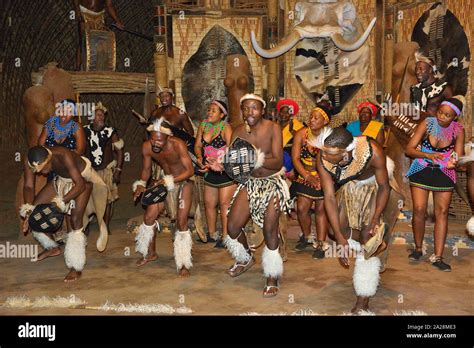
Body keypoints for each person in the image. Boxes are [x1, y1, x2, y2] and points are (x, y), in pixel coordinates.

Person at [316, 127, 394, 313]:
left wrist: (375, 218)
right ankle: (375, 246)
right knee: (336, 232)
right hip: (349, 187)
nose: (324, 156)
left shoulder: (373, 151)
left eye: (331, 154)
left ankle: (363, 299)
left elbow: (384, 187)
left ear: (346, 152)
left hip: (375, 187)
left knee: (368, 237)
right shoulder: (323, 157)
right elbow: (329, 197)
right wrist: (341, 240)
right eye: (324, 151)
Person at [222, 94, 291, 297]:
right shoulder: (238, 131)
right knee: (232, 226)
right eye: (245, 108)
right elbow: (234, 162)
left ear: (262, 110)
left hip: (272, 183)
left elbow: (278, 161)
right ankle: (246, 258)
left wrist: (254, 159)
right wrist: (222, 163)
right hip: (250, 182)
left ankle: (272, 275)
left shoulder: (273, 128)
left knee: (270, 230)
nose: (249, 112)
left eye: (254, 108)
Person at [19, 145, 109, 282]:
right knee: (36, 212)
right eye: (39, 171)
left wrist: (61, 202)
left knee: (75, 220)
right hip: (62, 179)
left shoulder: (63, 154)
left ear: (49, 159)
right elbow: (29, 186)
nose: (42, 173)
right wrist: (28, 211)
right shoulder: (30, 160)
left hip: (83, 179)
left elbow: (80, 184)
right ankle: (52, 247)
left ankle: (76, 266)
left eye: (44, 168)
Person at [406, 96, 465, 271]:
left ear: (455, 117)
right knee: (418, 209)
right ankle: (418, 248)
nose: (441, 117)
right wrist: (428, 155)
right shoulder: (427, 123)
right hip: (421, 169)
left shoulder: (458, 130)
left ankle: (438, 257)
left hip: (444, 172)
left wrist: (454, 161)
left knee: (442, 212)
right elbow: (409, 149)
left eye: (447, 115)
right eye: (440, 112)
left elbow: (458, 155)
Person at [132, 118, 195, 277]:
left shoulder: (178, 144)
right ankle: (150, 253)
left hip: (182, 181)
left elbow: (190, 171)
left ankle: (183, 263)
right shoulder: (147, 147)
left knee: (181, 221)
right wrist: (141, 183)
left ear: (168, 137)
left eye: (159, 140)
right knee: (149, 216)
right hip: (162, 181)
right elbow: (146, 169)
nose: (155, 143)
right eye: (152, 138)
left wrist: (170, 180)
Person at [194, 100, 236, 248]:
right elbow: (198, 145)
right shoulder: (203, 125)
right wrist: (200, 158)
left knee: (224, 204)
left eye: (214, 110)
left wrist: (221, 164)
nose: (209, 112)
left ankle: (226, 237)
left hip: (224, 170)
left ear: (222, 114)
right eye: (209, 109)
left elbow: (232, 150)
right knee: (209, 203)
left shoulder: (226, 128)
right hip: (209, 169)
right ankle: (212, 234)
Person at [291, 105, 331, 258]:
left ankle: (320, 244)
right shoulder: (301, 134)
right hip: (305, 175)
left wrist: (321, 178)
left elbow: (334, 161)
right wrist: (307, 176)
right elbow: (295, 159)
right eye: (310, 117)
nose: (311, 120)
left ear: (324, 121)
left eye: (316, 118)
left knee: (321, 210)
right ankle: (307, 236)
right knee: (301, 208)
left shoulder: (330, 137)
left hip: (324, 176)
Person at [84, 102, 124, 232]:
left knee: (107, 200)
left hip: (106, 170)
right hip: (90, 171)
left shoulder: (110, 131)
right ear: (91, 117)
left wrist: (117, 170)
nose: (101, 117)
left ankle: (105, 227)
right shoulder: (84, 130)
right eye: (98, 115)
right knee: (87, 199)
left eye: (102, 115)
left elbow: (119, 152)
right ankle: (86, 225)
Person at [74, 0, 125, 70]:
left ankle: (98, 68)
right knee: (82, 41)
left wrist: (117, 21)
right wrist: (77, 10)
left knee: (100, 42)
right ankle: (77, 68)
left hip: (99, 17)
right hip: (85, 13)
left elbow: (109, 5)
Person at [410, 52, 453, 117]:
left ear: (430, 70)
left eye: (421, 69)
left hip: (436, 126)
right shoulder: (414, 89)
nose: (417, 72)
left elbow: (452, 114)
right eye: (416, 69)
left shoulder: (445, 88)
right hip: (416, 125)